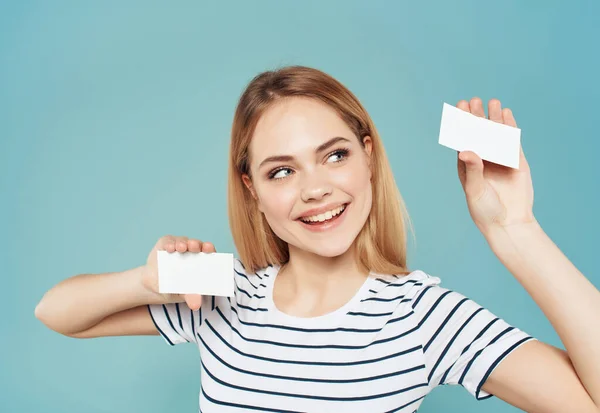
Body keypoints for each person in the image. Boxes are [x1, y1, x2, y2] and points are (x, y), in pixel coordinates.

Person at [35, 66, 600, 412]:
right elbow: (56, 312)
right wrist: (141, 280)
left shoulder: (421, 316)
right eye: (282, 171)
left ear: (368, 159)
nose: (316, 189)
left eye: (335, 155)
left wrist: (515, 230)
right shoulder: (221, 297)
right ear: (251, 188)